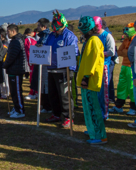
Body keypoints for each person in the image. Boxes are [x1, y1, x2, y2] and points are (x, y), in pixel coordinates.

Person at [44, 10, 78, 128]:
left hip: (64, 70)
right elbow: (46, 47)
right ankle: (56, 113)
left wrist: (69, 68)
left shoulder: (69, 35)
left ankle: (68, 117)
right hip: (51, 69)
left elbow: (73, 51)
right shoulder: (51, 36)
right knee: (53, 94)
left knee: (65, 95)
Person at [77, 16, 107, 145]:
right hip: (86, 80)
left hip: (90, 81)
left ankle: (100, 135)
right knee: (87, 108)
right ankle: (92, 130)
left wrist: (86, 77)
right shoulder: (89, 40)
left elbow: (93, 61)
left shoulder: (94, 41)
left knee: (93, 107)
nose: (80, 32)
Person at [110, 23, 136, 115]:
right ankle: (118, 106)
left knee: (132, 87)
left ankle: (134, 108)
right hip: (124, 66)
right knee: (121, 87)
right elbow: (119, 52)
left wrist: (126, 52)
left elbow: (132, 53)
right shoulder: (126, 40)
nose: (125, 31)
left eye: (127, 29)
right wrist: (127, 52)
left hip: (132, 66)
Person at [3, 24, 29, 118]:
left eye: (8, 31)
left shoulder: (16, 41)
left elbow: (11, 57)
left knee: (17, 91)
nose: (7, 33)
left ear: (13, 31)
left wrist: (5, 64)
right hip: (13, 69)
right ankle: (16, 107)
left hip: (16, 70)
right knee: (13, 91)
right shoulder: (15, 41)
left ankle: (20, 110)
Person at [93, 16, 116, 120]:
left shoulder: (107, 36)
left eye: (97, 26)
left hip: (104, 66)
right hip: (94, 67)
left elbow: (112, 52)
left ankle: (104, 114)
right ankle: (96, 111)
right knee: (95, 92)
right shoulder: (93, 36)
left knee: (103, 92)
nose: (96, 28)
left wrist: (100, 54)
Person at [31, 18, 52, 113]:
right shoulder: (41, 36)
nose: (37, 27)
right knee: (41, 84)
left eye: (39, 25)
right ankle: (44, 104)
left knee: (45, 85)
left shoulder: (48, 36)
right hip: (40, 63)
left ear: (44, 26)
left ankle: (48, 106)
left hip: (45, 64)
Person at [24, 28, 38, 100]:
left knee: (32, 78)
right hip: (33, 61)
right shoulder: (33, 40)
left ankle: (33, 92)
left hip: (31, 62)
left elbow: (29, 51)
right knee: (34, 77)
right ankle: (35, 92)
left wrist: (30, 61)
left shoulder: (28, 40)